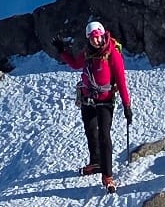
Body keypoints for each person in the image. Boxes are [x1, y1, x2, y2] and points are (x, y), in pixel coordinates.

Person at [55, 21, 133, 192]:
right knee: (91, 131)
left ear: (102, 35)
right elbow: (76, 64)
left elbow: (121, 81)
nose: (95, 41)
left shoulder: (112, 54)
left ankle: (108, 175)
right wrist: (62, 51)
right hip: (87, 98)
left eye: (97, 37)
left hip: (105, 100)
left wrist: (127, 105)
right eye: (91, 38)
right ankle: (96, 162)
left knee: (104, 135)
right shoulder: (87, 52)